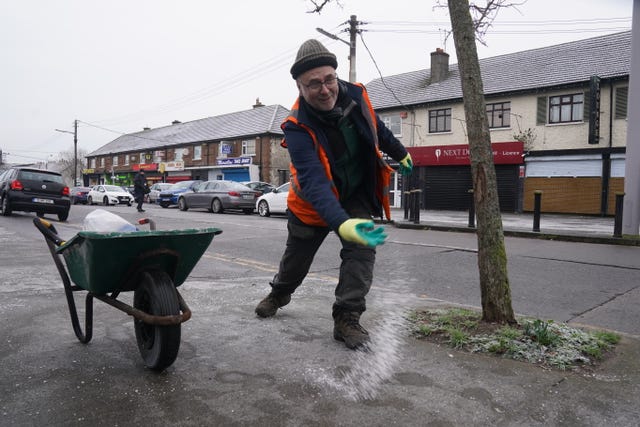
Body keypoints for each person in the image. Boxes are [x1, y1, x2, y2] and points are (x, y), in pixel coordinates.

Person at [254, 39, 413, 350]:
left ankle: (347, 318)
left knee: (362, 250)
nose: (325, 89)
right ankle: (279, 293)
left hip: (353, 192)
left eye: (328, 79)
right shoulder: (297, 127)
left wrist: (399, 151)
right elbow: (314, 181)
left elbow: (375, 127)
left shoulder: (356, 94)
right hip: (312, 204)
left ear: (335, 75)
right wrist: (340, 222)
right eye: (313, 84)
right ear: (300, 87)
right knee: (295, 262)